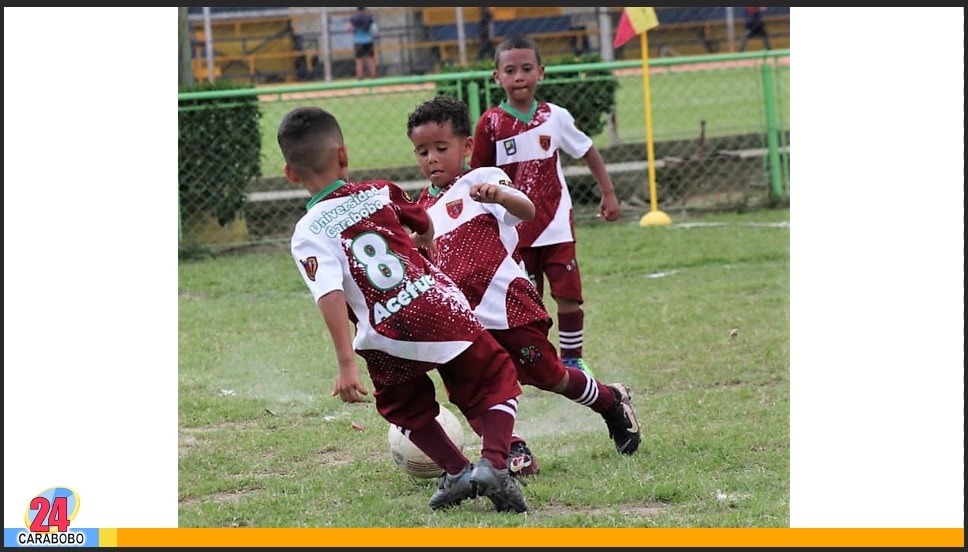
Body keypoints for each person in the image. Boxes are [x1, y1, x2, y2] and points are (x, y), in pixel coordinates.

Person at [278, 106, 527, 513]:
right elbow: (422, 221)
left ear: (290, 173)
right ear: (343, 155)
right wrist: (426, 242)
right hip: (436, 304)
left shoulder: (307, 232)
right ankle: (495, 464)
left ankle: (457, 470)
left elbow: (330, 294)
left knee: (403, 406)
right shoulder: (380, 191)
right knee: (495, 377)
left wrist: (346, 363)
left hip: (385, 330)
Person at [407, 95, 641, 467]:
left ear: (466, 147)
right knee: (467, 391)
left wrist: (501, 195)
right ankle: (511, 449)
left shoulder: (482, 181)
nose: (431, 158)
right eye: (422, 151)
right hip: (464, 319)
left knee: (550, 375)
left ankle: (612, 401)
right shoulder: (421, 211)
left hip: (506, 305)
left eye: (440, 148)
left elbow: (526, 210)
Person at [471, 35, 622, 378]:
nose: (519, 76)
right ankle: (534, 361)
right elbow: (476, 177)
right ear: (497, 77)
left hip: (555, 226)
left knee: (569, 295)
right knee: (526, 303)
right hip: (514, 233)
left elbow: (587, 151)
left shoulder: (555, 118)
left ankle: (572, 358)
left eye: (527, 68)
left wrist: (608, 192)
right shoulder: (490, 124)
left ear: (541, 72)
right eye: (510, 70)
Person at [348, 7, 378, 79]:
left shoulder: (353, 18)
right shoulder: (369, 18)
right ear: (364, 9)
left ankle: (360, 77)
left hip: (358, 41)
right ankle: (373, 76)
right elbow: (374, 29)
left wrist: (355, 31)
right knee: (371, 59)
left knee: (359, 60)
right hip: (368, 40)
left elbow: (349, 29)